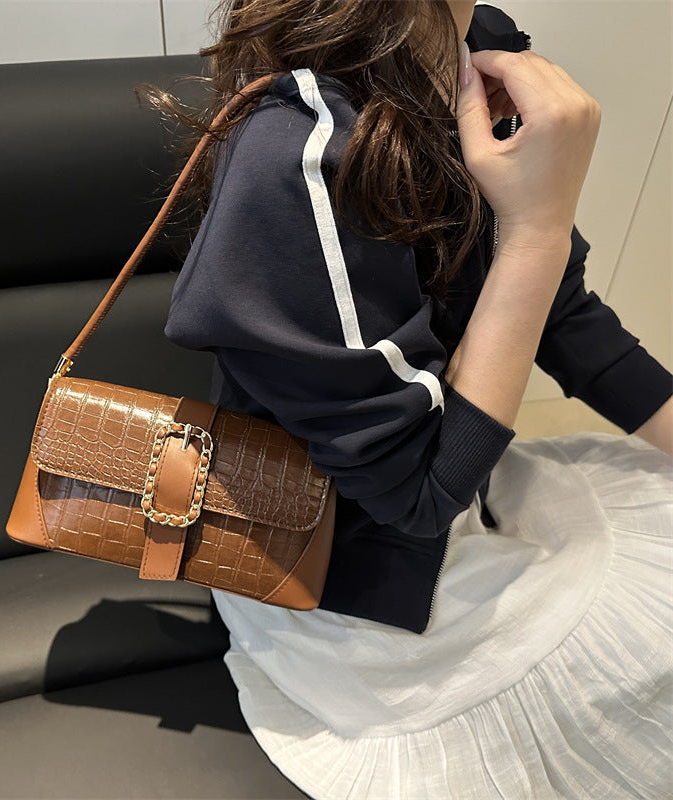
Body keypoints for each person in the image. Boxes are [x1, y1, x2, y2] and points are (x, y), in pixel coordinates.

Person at [144, 1, 673, 797]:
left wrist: (539, 236)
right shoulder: (300, 151)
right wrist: (537, 227)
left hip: (469, 499)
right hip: (348, 579)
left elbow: (557, 313)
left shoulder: (479, 47)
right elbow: (413, 493)